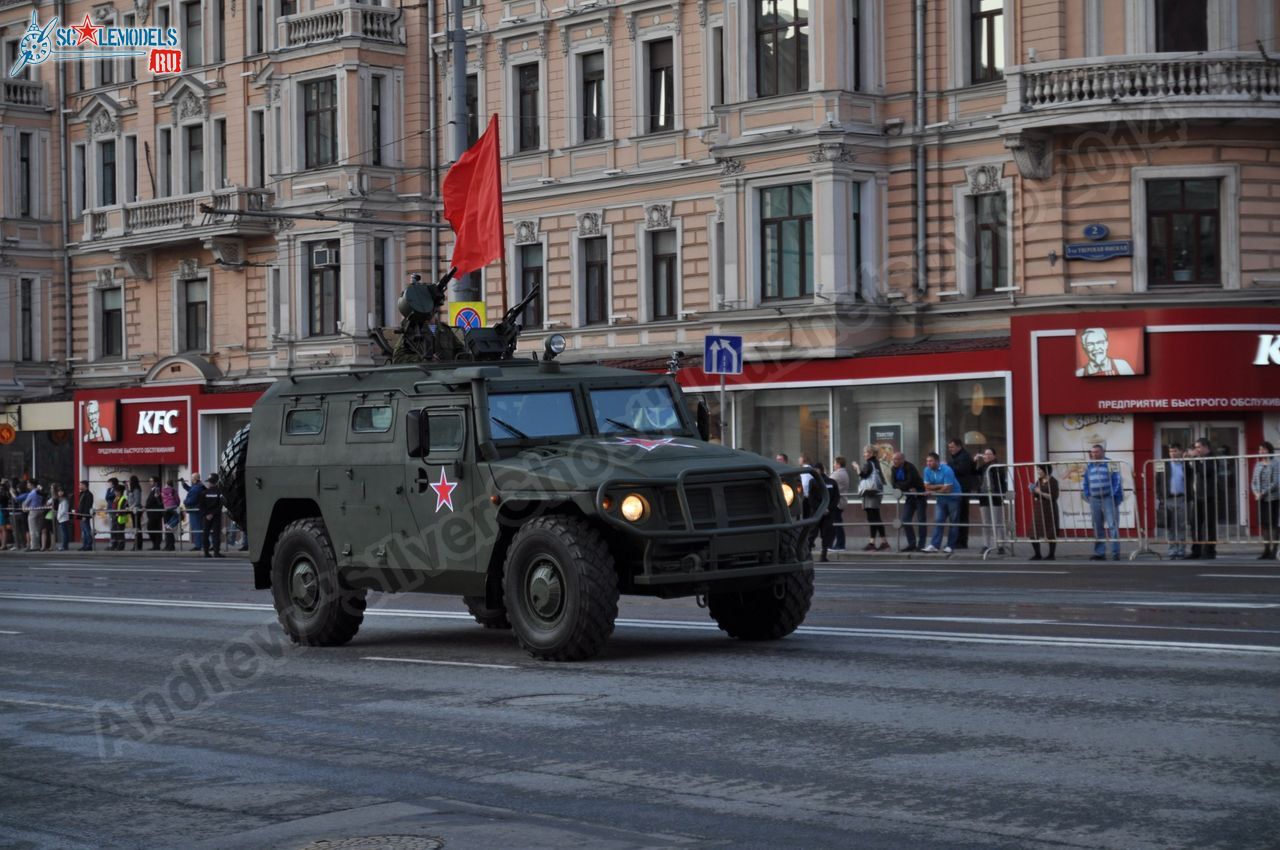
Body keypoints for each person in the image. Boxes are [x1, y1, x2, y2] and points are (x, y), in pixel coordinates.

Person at [1083, 444, 1123, 561]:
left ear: (1103, 452)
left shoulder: (1111, 463)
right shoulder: (1089, 465)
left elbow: (1117, 480)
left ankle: (1115, 553)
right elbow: (1086, 481)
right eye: (1092, 452)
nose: (1094, 454)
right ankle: (1100, 553)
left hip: (1108, 498)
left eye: (1097, 452)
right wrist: (1088, 494)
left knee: (1113, 526)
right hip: (1094, 499)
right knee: (1097, 526)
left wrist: (1113, 495)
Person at [921, 452, 962, 554]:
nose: (928, 463)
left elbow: (948, 489)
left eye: (931, 461)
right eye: (927, 461)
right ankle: (934, 545)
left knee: (953, 522)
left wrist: (933, 490)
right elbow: (926, 486)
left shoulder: (947, 470)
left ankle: (950, 546)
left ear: (937, 461)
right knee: (938, 521)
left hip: (953, 497)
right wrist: (940, 486)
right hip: (940, 498)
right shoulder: (927, 470)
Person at [1188, 437, 1218, 560]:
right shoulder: (1197, 459)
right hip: (1197, 496)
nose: (1197, 450)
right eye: (1195, 447)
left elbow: (1205, 472)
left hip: (1208, 496)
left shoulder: (1212, 458)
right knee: (1195, 524)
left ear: (1206, 447)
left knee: (1209, 525)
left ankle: (1210, 551)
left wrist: (1195, 459)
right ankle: (1196, 550)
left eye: (1199, 447)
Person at [890, 452, 927, 552]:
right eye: (893, 459)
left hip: (919, 495)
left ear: (902, 460)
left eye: (897, 459)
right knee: (905, 519)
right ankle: (911, 544)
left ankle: (921, 544)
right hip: (910, 496)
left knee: (921, 520)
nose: (894, 461)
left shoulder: (910, 467)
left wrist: (902, 486)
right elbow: (893, 484)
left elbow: (910, 481)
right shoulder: (893, 468)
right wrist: (905, 488)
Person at [946, 438, 977, 549]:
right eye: (949, 447)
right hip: (957, 489)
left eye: (952, 447)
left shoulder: (964, 457)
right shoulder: (957, 456)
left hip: (962, 490)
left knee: (961, 515)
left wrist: (948, 465)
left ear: (959, 446)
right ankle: (958, 540)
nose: (950, 449)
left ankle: (962, 541)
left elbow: (961, 470)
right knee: (957, 516)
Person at [1250, 441, 1279, 560]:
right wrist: (1256, 492)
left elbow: (1276, 482)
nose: (1261, 452)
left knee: (1273, 524)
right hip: (1261, 499)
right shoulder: (1258, 464)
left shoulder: (1275, 464)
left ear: (1269, 450)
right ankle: (1266, 550)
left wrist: (1263, 492)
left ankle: (1274, 550)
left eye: (1264, 449)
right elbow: (1253, 481)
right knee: (1265, 524)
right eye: (1260, 450)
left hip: (1273, 498)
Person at [1159, 445, 1189, 560]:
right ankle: (1172, 550)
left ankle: (1181, 550)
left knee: (1181, 526)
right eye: (1171, 451)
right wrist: (1160, 497)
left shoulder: (1184, 465)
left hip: (1181, 498)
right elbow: (1158, 481)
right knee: (1170, 527)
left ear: (1180, 451)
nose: (1172, 453)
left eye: (1175, 451)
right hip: (1168, 499)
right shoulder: (1164, 464)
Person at [858, 445, 890, 551]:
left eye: (866, 452)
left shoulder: (869, 463)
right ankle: (882, 542)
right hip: (874, 492)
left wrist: (856, 467)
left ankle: (874, 543)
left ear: (871, 453)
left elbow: (862, 475)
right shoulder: (876, 463)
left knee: (873, 518)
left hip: (871, 492)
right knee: (875, 517)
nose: (864, 454)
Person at [978, 448, 1008, 554]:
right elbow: (973, 472)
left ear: (994, 456)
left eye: (989, 454)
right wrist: (975, 461)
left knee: (998, 522)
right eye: (985, 454)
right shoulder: (983, 467)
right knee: (986, 523)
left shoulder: (996, 467)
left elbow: (1001, 481)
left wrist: (1002, 495)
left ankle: (1000, 545)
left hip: (995, 496)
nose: (986, 456)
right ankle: (986, 545)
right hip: (984, 497)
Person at [1028, 464, 1060, 561]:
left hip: (1049, 508)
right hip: (1039, 508)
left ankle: (1051, 554)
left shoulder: (1053, 481)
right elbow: (1036, 494)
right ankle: (1037, 554)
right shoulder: (1039, 481)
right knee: (1033, 532)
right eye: (1038, 470)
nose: (1038, 472)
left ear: (1045, 470)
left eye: (1040, 470)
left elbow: (1053, 497)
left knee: (1051, 531)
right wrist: (1033, 490)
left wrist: (1040, 492)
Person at [810, 462, 840, 562]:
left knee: (812, 533)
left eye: (815, 470)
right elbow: (836, 498)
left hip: (817, 512)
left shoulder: (813, 482)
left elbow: (812, 499)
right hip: (828, 513)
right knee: (826, 534)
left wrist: (821, 509)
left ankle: (807, 554)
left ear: (818, 470)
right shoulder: (832, 482)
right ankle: (823, 555)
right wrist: (829, 509)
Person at [201, 473, 226, 558]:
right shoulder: (220, 492)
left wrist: (207, 514)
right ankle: (216, 552)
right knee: (216, 534)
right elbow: (221, 505)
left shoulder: (204, 493)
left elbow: (201, 505)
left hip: (206, 516)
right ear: (216, 482)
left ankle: (206, 552)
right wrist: (212, 513)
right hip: (216, 516)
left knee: (205, 534)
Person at [829, 456, 851, 551]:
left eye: (834, 463)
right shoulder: (843, 473)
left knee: (837, 524)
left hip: (837, 502)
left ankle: (840, 544)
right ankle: (836, 543)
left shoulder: (838, 474)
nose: (834, 465)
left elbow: (829, 483)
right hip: (840, 501)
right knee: (836, 523)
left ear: (838, 464)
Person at [181, 474, 206, 550]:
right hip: (198, 510)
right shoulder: (199, 486)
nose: (191, 479)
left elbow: (191, 499)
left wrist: (185, 501)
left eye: (192, 478)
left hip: (195, 511)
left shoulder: (196, 488)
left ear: (195, 479)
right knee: (200, 528)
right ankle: (202, 544)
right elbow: (190, 490)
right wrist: (184, 484)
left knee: (196, 528)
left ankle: (198, 545)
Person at [145, 477, 164, 550]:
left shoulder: (157, 489)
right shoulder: (153, 490)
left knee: (152, 528)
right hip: (152, 513)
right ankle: (155, 545)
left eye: (151, 481)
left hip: (155, 513)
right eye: (149, 481)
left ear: (155, 482)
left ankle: (156, 545)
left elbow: (158, 501)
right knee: (152, 528)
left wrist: (156, 497)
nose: (150, 482)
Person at [76, 481, 96, 551]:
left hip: (84, 515)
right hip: (81, 515)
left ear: (85, 485)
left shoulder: (89, 494)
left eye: (81, 485)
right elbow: (80, 505)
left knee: (87, 531)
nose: (79, 486)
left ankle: (89, 545)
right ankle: (84, 545)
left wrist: (84, 515)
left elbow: (87, 506)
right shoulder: (82, 493)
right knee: (83, 531)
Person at [161, 479, 180, 551]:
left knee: (167, 529)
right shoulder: (173, 490)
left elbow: (161, 500)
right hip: (173, 508)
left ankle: (168, 545)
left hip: (166, 510)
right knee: (179, 517)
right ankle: (171, 545)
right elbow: (177, 500)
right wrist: (176, 505)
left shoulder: (163, 490)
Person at [111, 484, 129, 551]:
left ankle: (121, 546)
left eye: (116, 491)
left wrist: (118, 513)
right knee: (115, 533)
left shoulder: (123, 499)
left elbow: (125, 509)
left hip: (120, 519)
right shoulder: (116, 498)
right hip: (115, 518)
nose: (115, 493)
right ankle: (115, 545)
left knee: (120, 533)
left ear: (119, 492)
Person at [55, 486, 72, 551]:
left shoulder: (64, 500)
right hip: (62, 518)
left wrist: (58, 517)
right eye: (59, 491)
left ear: (63, 492)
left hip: (63, 518)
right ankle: (65, 546)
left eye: (61, 491)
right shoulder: (61, 499)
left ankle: (65, 546)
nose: (59, 493)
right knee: (65, 533)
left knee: (64, 533)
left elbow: (64, 510)